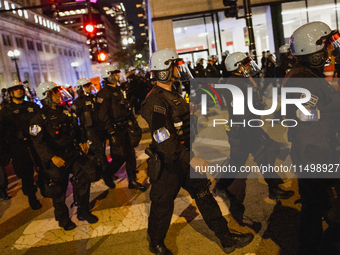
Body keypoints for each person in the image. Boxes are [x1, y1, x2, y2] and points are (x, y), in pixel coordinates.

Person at [141, 48, 254, 255]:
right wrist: (192, 158)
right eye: (175, 65)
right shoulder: (155, 101)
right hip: (168, 164)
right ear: (165, 70)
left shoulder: (171, 93)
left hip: (184, 157)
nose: (179, 69)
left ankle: (225, 238)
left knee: (204, 195)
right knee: (162, 206)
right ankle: (156, 243)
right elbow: (163, 138)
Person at [283, 21, 340, 255]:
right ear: (311, 50)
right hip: (315, 154)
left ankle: (309, 248)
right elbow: (306, 119)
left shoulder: (306, 75)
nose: (329, 52)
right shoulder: (301, 80)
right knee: (328, 210)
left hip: (313, 153)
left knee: (313, 208)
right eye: (325, 47)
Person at [215, 52, 294, 200]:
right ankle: (220, 187)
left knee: (265, 156)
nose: (248, 66)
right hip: (242, 131)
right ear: (236, 67)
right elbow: (241, 111)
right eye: (245, 64)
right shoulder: (233, 84)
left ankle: (274, 188)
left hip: (250, 127)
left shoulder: (243, 80)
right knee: (237, 163)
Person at [30, 81, 98, 230]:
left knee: (84, 180)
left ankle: (83, 211)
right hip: (56, 159)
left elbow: (76, 129)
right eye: (54, 92)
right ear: (46, 96)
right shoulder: (39, 119)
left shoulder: (65, 111)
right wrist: (52, 157)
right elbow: (38, 143)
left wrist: (82, 142)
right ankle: (63, 219)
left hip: (72, 154)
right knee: (58, 191)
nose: (58, 95)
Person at [97, 65, 146, 192]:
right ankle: (107, 174)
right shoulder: (103, 93)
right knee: (119, 156)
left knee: (130, 154)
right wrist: (111, 132)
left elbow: (127, 108)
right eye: (115, 74)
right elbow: (102, 115)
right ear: (109, 76)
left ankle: (132, 181)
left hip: (125, 127)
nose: (118, 76)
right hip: (115, 129)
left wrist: (134, 123)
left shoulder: (120, 90)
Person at [0, 80, 42, 209]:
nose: (19, 90)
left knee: (44, 168)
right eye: (15, 89)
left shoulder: (32, 106)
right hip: (18, 147)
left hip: (35, 143)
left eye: (20, 88)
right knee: (26, 174)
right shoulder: (6, 111)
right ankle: (32, 197)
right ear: (10, 93)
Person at [72, 78, 116, 189]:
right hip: (89, 131)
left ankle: (97, 173)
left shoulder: (95, 98)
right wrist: (81, 139)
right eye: (86, 86)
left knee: (96, 153)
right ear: (80, 88)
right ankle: (107, 176)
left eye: (89, 85)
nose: (89, 87)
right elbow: (74, 122)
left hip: (99, 130)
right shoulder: (78, 102)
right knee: (100, 154)